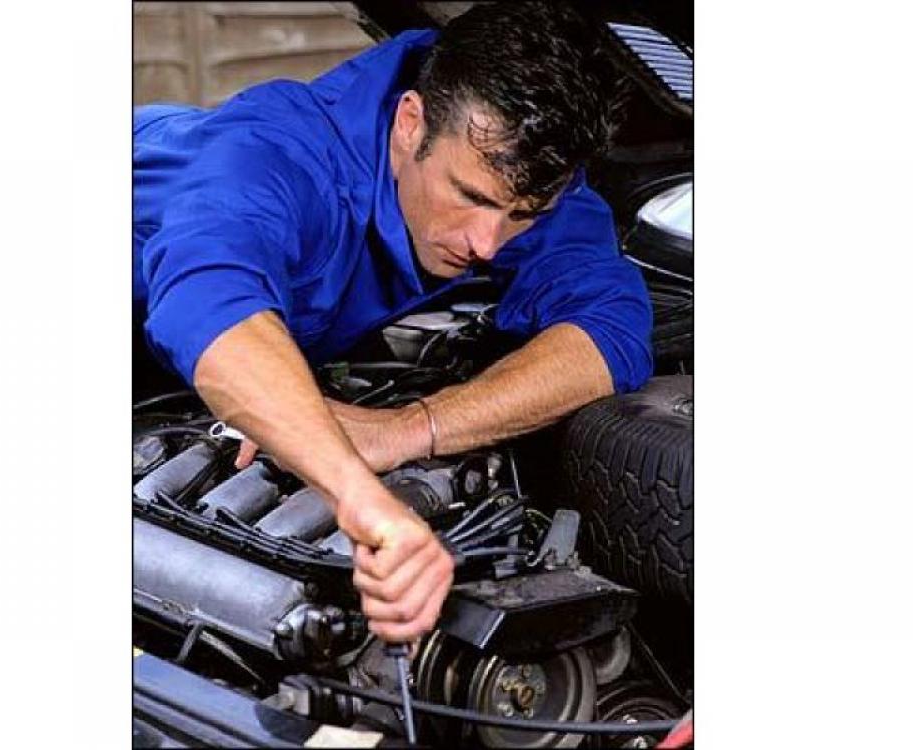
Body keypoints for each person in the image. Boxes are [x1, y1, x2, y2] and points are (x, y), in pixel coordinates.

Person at [133, 3, 652, 645]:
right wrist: (362, 501)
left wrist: (408, 428)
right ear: (411, 123)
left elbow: (612, 331)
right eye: (469, 197)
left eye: (521, 215)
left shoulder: (512, 176)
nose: (488, 242)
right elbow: (209, 305)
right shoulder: (273, 153)